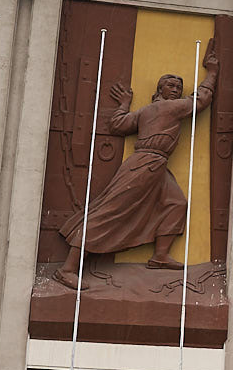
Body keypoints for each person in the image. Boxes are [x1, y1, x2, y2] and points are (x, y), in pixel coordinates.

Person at [56, 38, 219, 289]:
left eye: (178, 85)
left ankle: (160, 256)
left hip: (156, 165)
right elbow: (201, 100)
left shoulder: (145, 111)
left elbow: (119, 125)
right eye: (170, 84)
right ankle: (68, 269)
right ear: (160, 90)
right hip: (144, 164)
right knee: (110, 212)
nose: (176, 88)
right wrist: (213, 72)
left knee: (176, 203)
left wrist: (123, 105)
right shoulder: (169, 108)